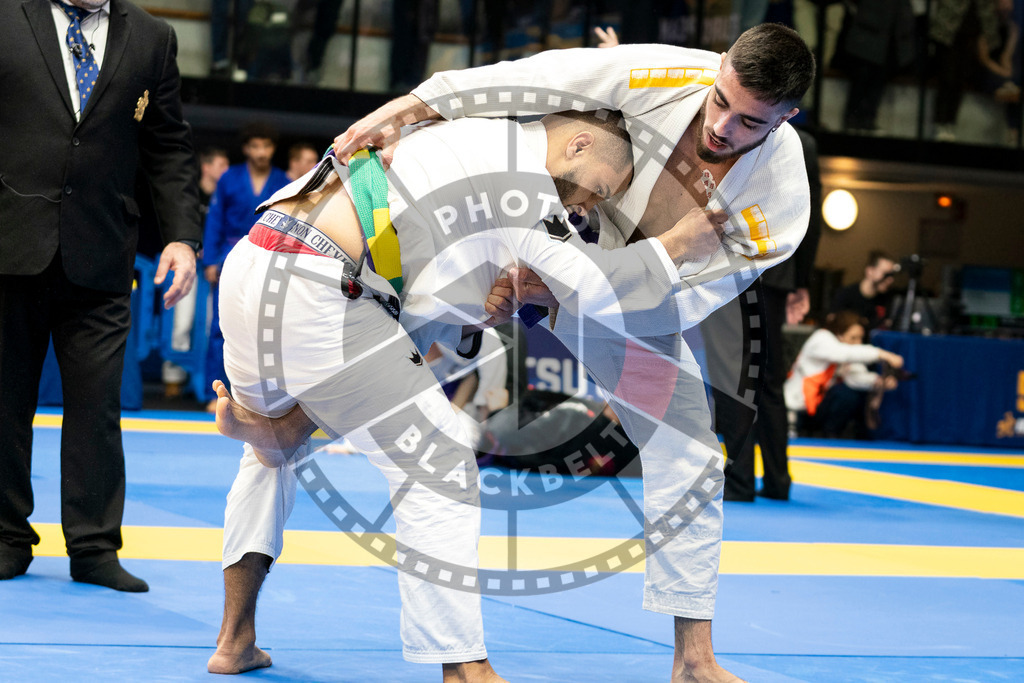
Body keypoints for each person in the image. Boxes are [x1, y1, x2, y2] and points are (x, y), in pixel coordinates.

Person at [259, 22, 816, 682]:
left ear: (787, 118)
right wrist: (409, 105)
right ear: (719, 66)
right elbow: (540, 78)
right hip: (557, 220)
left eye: (749, 121)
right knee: (437, 309)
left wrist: (557, 293)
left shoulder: (778, 204)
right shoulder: (670, 73)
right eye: (721, 100)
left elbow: (683, 302)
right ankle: (298, 418)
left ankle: (694, 659)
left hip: (641, 298)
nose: (722, 126)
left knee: (690, 453)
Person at [207, 109, 721, 678]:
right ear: (577, 145)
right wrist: (676, 243)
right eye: (598, 191)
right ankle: (464, 669)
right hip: (326, 285)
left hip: (258, 261)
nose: (586, 209)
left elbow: (422, 299)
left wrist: (485, 307)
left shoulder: (465, 141)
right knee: (441, 462)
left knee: (266, 460)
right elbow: (587, 282)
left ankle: (235, 638)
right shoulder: (522, 173)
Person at [0, 0, 201, 591]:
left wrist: (184, 239)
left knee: (97, 407)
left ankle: (93, 549)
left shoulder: (153, 38)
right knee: (6, 402)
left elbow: (169, 146)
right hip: (11, 243)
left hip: (104, 249)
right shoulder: (8, 19)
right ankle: (6, 538)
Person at [707, 127, 822, 502]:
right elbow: (811, 216)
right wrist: (801, 281)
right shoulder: (802, 144)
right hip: (776, 271)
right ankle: (778, 480)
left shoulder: (733, 126)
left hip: (732, 266)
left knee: (734, 373)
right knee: (769, 377)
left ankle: (739, 480)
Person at [202, 122, 289, 411]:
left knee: (265, 328)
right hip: (229, 253)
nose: (261, 152)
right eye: (255, 146)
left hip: (267, 255)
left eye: (266, 146)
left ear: (273, 148)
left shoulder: (283, 181)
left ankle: (259, 398)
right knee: (220, 326)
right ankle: (216, 395)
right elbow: (214, 220)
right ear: (246, 149)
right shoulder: (229, 178)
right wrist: (211, 259)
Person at [163, 147, 230, 399]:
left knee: (210, 325)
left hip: (215, 268)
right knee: (181, 323)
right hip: (187, 265)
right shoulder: (191, 193)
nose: (226, 171)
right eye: (221, 165)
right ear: (207, 167)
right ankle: (173, 380)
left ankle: (203, 383)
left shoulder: (226, 196)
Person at [784, 310, 904, 438]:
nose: (857, 343)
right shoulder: (821, 339)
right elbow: (844, 353)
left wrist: (879, 382)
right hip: (795, 408)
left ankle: (831, 435)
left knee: (849, 394)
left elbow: (855, 377)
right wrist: (882, 354)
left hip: (817, 409)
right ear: (839, 334)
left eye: (860, 338)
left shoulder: (845, 353)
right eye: (853, 338)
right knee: (845, 394)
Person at [829, 250, 897, 331]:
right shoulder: (846, 294)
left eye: (892, 275)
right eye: (886, 274)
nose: (890, 280)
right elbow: (831, 322)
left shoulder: (888, 299)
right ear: (870, 271)